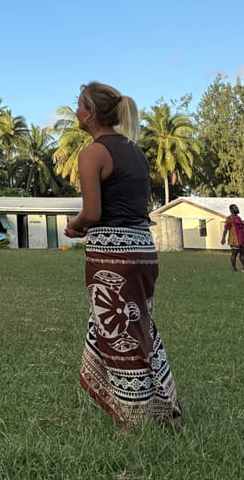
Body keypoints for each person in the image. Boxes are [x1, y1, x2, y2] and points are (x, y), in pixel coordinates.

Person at [64, 81, 181, 430]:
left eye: (79, 105)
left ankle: (135, 417)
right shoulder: (135, 151)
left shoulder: (93, 153)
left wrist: (75, 225)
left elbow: (93, 212)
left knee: (119, 334)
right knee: (139, 324)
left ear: (89, 113)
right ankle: (161, 405)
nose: (75, 111)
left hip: (111, 255)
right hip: (144, 248)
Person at [221, 204, 244, 272]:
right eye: (235, 208)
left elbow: (242, 227)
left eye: (237, 207)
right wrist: (223, 238)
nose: (237, 209)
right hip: (234, 240)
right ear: (231, 210)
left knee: (242, 253)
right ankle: (234, 268)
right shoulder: (229, 218)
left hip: (241, 239)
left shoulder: (239, 218)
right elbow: (226, 229)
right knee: (234, 253)